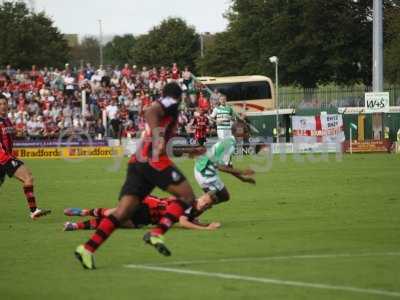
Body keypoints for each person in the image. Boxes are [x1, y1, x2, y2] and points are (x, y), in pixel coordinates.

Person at [74, 82, 205, 269]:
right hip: (154, 162)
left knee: (122, 212)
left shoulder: (170, 111)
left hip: (138, 163)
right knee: (187, 196)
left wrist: (190, 149)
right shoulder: (171, 103)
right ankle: (156, 233)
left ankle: (87, 249)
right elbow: (150, 112)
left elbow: (166, 145)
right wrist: (159, 137)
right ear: (179, 96)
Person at [0, 94, 51, 219]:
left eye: (5, 103)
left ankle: (34, 211)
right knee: (28, 177)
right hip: (4, 158)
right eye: (0, 104)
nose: (3, 106)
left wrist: (18, 132)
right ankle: (33, 211)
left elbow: (9, 136)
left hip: (6, 157)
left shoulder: (6, 120)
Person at [63, 193, 220, 231]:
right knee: (112, 216)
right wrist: (205, 228)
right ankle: (82, 214)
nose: (204, 206)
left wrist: (206, 223)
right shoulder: (189, 202)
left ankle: (75, 225)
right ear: (200, 197)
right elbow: (183, 221)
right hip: (146, 206)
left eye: (207, 206)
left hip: (148, 218)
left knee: (114, 221)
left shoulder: (193, 209)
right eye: (204, 202)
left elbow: (188, 218)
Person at [194, 121, 256, 204]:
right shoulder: (230, 144)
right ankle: (192, 207)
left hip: (202, 168)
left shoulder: (230, 140)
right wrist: (242, 172)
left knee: (217, 197)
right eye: (247, 132)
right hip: (205, 172)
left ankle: (194, 206)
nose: (248, 135)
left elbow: (229, 166)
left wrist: (243, 179)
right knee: (221, 196)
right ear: (240, 134)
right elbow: (220, 167)